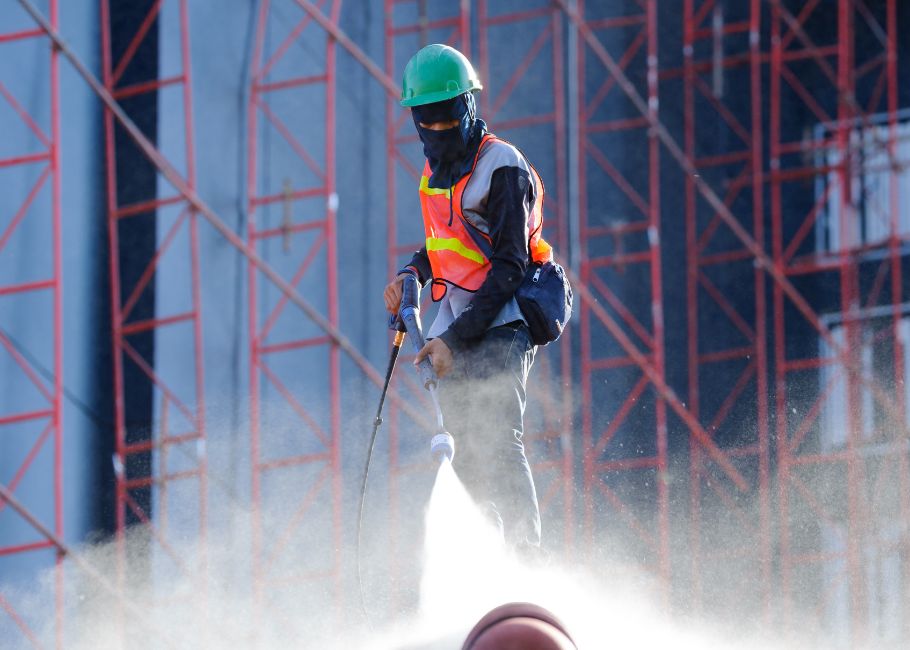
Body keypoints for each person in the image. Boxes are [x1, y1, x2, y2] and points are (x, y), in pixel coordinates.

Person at [383, 43, 553, 552]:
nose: (437, 129)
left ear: (468, 106)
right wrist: (411, 273)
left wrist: (453, 340)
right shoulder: (433, 176)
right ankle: (487, 552)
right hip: (457, 325)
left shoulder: (503, 167)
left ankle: (526, 559)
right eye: (427, 120)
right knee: (461, 447)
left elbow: (509, 266)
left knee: (500, 439)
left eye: (446, 117)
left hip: (505, 319)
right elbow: (443, 245)